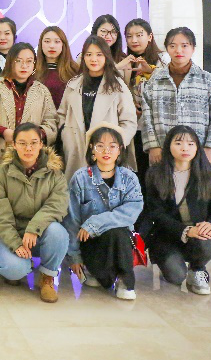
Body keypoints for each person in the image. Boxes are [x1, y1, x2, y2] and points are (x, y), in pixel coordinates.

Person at [0, 123, 68, 303]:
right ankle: (21, 266)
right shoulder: (1, 174)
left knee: (58, 232)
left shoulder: (55, 173)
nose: (28, 148)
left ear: (41, 144)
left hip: (38, 233)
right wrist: (15, 243)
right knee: (15, 270)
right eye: (22, 143)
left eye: (33, 143)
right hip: (9, 233)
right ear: (14, 145)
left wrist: (34, 228)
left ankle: (47, 277)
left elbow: (57, 205)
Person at [63, 125, 143, 300]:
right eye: (100, 145)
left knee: (118, 232)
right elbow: (72, 220)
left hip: (120, 243)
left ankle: (125, 281)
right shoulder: (80, 178)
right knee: (103, 280)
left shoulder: (129, 178)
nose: (106, 151)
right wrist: (74, 257)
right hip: (92, 244)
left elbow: (131, 211)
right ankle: (97, 272)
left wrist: (95, 224)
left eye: (112, 146)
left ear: (120, 149)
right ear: (92, 149)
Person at [146, 126, 211, 296]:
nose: (185, 148)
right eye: (178, 143)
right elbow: (155, 212)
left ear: (197, 147)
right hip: (167, 236)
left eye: (190, 144)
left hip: (198, 234)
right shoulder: (156, 174)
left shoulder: (208, 174)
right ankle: (171, 264)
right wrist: (186, 230)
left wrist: (210, 225)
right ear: (168, 146)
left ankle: (197, 269)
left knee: (207, 238)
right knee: (176, 276)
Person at [141, 27, 211, 167]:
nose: (178, 50)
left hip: (200, 152)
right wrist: (152, 145)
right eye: (172, 46)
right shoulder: (155, 81)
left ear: (193, 48)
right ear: (167, 49)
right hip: (162, 152)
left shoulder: (207, 80)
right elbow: (146, 116)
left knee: (200, 181)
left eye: (184, 46)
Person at [58, 35, 137, 178]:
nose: (93, 59)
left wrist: (115, 145)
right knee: (77, 187)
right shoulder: (73, 84)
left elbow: (129, 122)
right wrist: (65, 134)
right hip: (76, 149)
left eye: (99, 54)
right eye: (89, 54)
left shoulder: (118, 86)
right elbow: (61, 114)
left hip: (107, 154)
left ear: (107, 56)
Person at [0, 42, 58, 173]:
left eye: (29, 61)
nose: (24, 66)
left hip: (32, 159)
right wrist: (3, 132)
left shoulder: (42, 91)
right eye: (18, 61)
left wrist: (32, 136)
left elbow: (52, 125)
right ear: (10, 62)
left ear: (34, 64)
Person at [122, 18, 167, 205]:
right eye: (129, 36)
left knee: (159, 181)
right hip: (135, 131)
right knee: (139, 179)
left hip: (158, 131)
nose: (134, 40)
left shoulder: (163, 60)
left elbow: (170, 85)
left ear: (149, 37)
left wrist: (151, 71)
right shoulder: (126, 63)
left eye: (139, 35)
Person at [34, 26, 79, 110]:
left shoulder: (75, 70)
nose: (52, 46)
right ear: (41, 44)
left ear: (63, 44)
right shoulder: (32, 70)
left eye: (57, 41)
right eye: (47, 41)